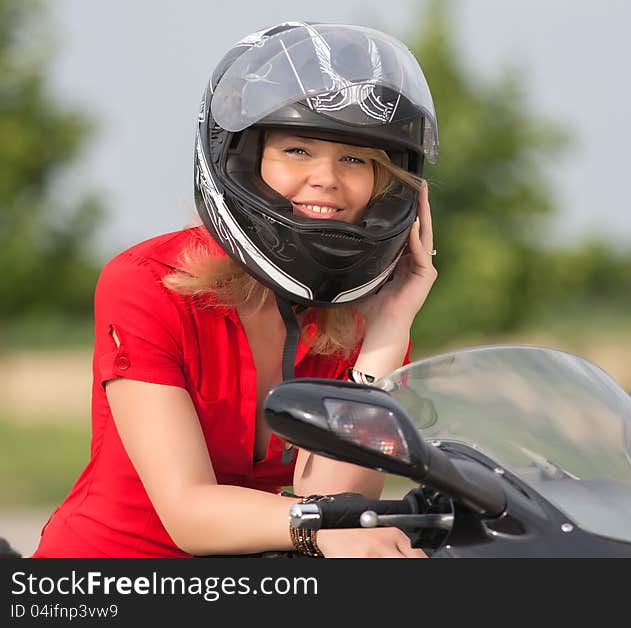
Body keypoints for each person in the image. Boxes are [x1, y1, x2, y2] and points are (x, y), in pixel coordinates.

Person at [32, 21, 439, 558]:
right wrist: (326, 527)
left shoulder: (360, 318)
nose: (327, 177)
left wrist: (389, 328)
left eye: (354, 159)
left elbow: (333, 503)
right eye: (298, 149)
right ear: (244, 160)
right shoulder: (145, 283)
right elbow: (189, 512)